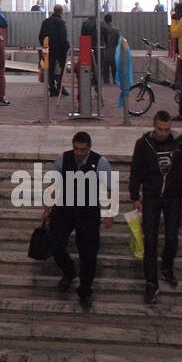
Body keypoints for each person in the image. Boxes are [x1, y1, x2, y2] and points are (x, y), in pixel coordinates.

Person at [41, 131, 114, 310]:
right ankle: (69, 271)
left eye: (83, 149)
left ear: (89, 148)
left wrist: (110, 212)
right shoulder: (62, 159)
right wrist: (47, 208)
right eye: (76, 149)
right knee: (56, 243)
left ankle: (85, 290)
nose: (79, 153)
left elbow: (110, 188)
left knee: (88, 253)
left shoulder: (100, 162)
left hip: (88, 211)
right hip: (65, 208)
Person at [130, 111, 182, 303]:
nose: (163, 133)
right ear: (154, 126)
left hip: (172, 196)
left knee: (172, 236)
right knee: (151, 239)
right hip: (151, 195)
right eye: (160, 129)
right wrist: (134, 195)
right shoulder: (144, 143)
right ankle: (151, 282)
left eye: (166, 129)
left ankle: (167, 266)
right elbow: (136, 169)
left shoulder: (179, 143)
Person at [39, 5, 70, 96]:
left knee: (50, 69)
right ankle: (60, 87)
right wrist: (66, 47)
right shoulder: (61, 23)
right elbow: (63, 37)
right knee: (62, 69)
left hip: (49, 49)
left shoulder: (45, 22)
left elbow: (41, 36)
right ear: (61, 12)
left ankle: (52, 88)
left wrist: (44, 46)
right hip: (60, 50)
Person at [100, 12, 121, 86]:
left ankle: (106, 82)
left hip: (105, 51)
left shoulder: (101, 30)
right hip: (114, 52)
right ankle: (115, 82)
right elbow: (119, 42)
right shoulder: (116, 30)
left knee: (105, 69)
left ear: (104, 20)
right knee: (114, 68)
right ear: (111, 20)